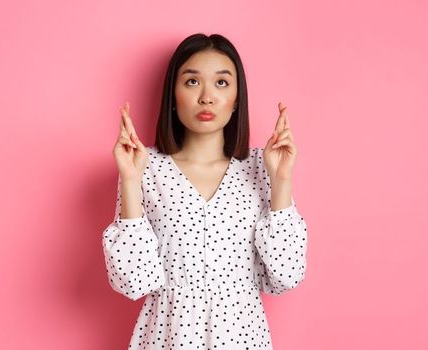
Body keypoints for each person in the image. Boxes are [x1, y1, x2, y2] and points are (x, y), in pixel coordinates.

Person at [102, 33, 308, 349]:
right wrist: (130, 180)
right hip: (168, 338)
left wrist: (281, 181)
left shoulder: (261, 166)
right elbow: (134, 282)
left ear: (238, 97)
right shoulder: (145, 167)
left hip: (241, 339)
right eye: (192, 82)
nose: (207, 97)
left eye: (222, 83)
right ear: (173, 94)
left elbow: (285, 276)